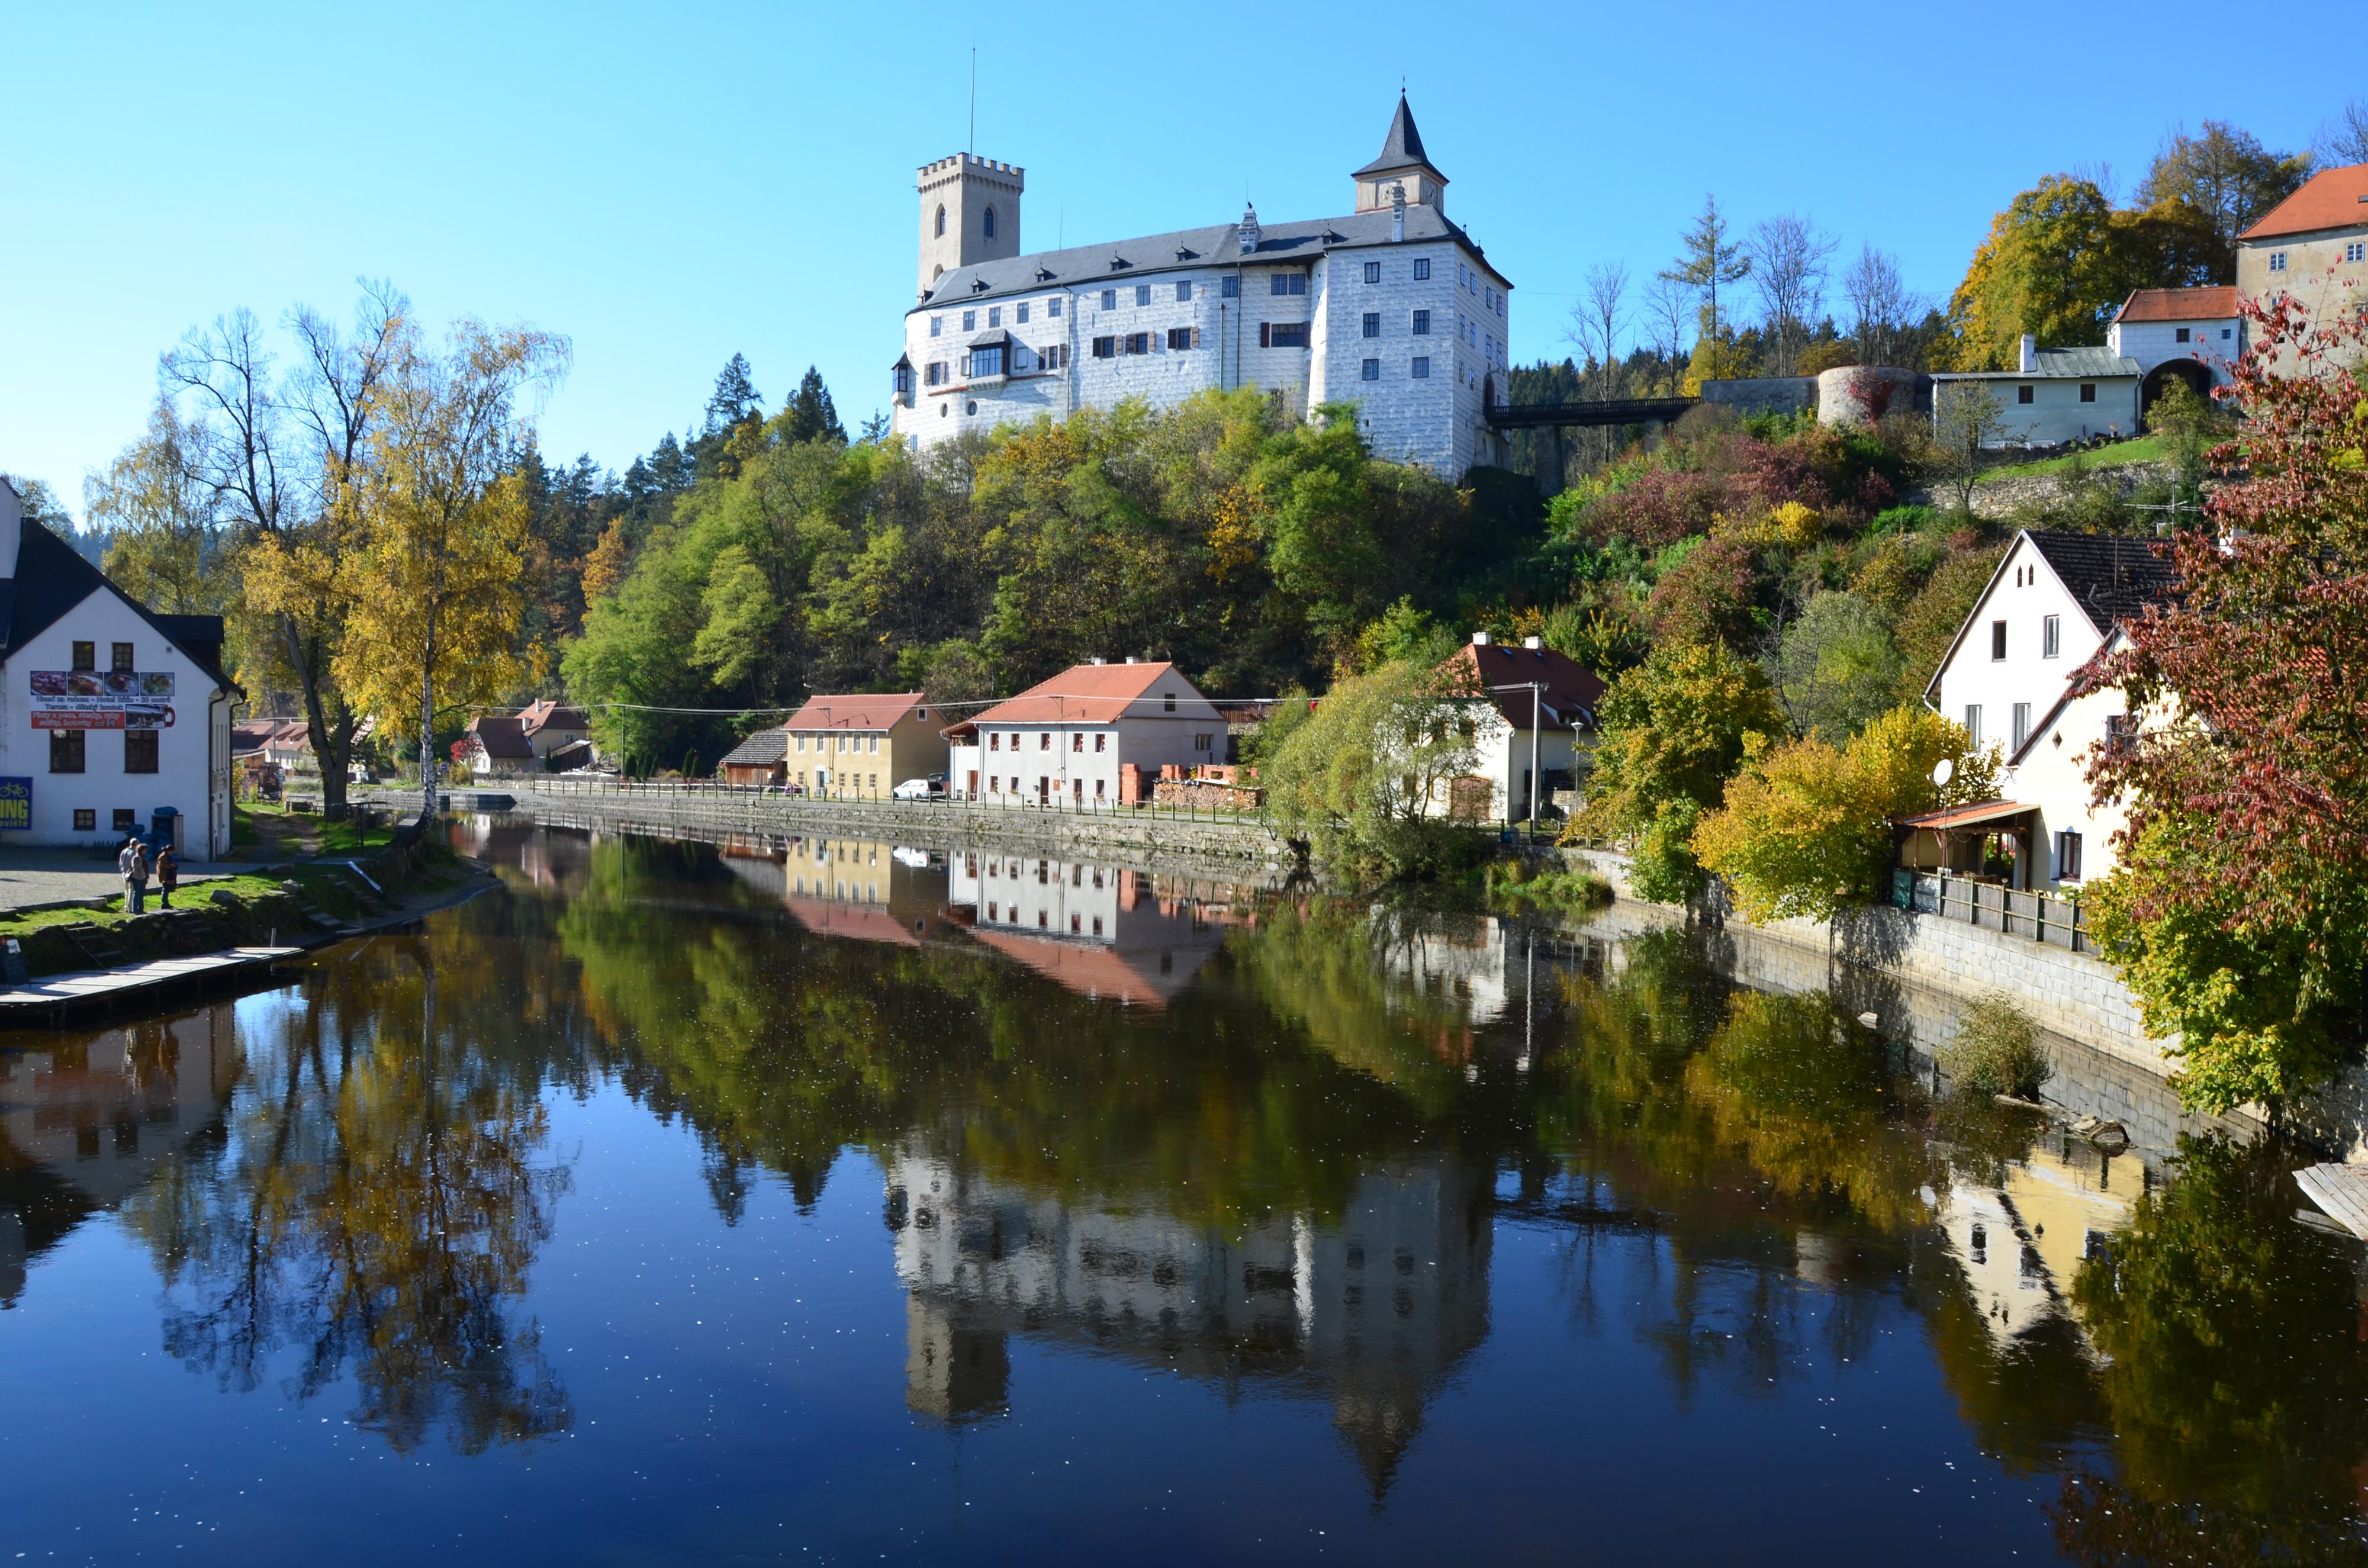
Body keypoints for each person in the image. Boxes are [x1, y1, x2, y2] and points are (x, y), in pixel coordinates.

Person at [118, 835, 149, 915]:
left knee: (126, 891)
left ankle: (127, 906)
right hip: (133, 875)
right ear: (136, 845)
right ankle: (131, 908)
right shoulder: (134, 854)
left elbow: (120, 862)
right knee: (132, 891)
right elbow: (134, 866)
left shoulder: (124, 851)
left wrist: (123, 871)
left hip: (125, 874)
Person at [155, 843, 180, 909]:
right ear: (169, 851)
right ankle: (164, 904)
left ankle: (166, 903)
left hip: (169, 875)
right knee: (165, 890)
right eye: (172, 851)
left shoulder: (168, 856)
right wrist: (172, 866)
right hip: (165, 876)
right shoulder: (163, 856)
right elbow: (163, 865)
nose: (173, 853)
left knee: (168, 890)